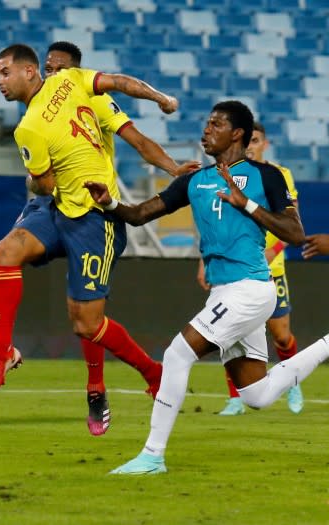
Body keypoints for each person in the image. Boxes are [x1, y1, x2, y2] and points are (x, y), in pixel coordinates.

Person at [0, 41, 200, 436]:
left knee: (87, 324)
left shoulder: (72, 95)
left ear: (31, 71)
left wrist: (171, 157)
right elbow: (48, 188)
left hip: (96, 216)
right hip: (59, 209)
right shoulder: (38, 116)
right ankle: (1, 348)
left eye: (5, 73)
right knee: (7, 250)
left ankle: (150, 373)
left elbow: (129, 132)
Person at [85, 100, 329, 475]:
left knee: (177, 355)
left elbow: (295, 233)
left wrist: (246, 204)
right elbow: (139, 215)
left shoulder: (267, 176)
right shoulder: (194, 180)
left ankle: (152, 455)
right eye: (206, 123)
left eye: (215, 124)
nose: (205, 130)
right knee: (258, 395)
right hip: (225, 291)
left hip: (249, 289)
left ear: (238, 134)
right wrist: (111, 201)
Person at [196, 122, 303, 416]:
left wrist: (274, 250)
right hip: (233, 268)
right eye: (248, 141)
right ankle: (235, 398)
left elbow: (294, 225)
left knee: (281, 336)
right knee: (227, 332)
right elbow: (212, 223)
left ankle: (293, 382)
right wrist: (203, 262)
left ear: (264, 144)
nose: (252, 146)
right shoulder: (226, 173)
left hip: (271, 268)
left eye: (256, 140)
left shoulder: (279, 176)